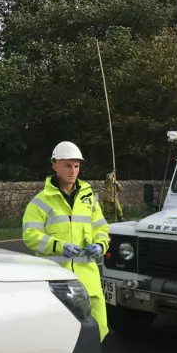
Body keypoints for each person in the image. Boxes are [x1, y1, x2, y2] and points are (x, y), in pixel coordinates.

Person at [22, 141, 110, 342]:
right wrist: (59, 246)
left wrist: (100, 244)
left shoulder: (88, 199)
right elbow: (30, 235)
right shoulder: (41, 202)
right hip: (57, 281)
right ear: (55, 165)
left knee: (97, 330)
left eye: (76, 166)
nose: (73, 171)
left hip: (89, 280)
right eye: (68, 165)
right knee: (61, 335)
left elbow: (101, 228)